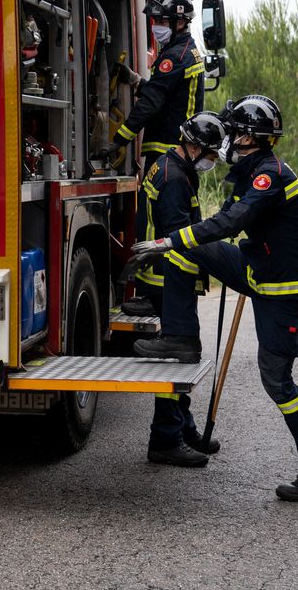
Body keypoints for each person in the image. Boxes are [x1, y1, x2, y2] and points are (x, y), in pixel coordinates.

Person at [130, 95, 298, 501]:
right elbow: (218, 221)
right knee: (187, 244)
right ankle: (181, 336)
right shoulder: (251, 170)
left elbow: (234, 220)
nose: (226, 139)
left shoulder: (271, 176)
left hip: (281, 292)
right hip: (257, 272)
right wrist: (173, 243)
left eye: (233, 131)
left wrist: (169, 239)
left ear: (247, 137)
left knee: (277, 382)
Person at [98, 0, 206, 316]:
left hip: (167, 153)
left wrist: (117, 142)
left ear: (178, 20)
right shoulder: (185, 52)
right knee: (165, 226)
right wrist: (135, 80)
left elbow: (151, 106)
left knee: (152, 225)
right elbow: (164, 92)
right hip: (178, 153)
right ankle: (162, 300)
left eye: (160, 20)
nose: (155, 26)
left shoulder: (175, 56)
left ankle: (154, 297)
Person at [129, 111, 226, 466]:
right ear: (196, 147)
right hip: (168, 279)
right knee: (177, 358)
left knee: (183, 356)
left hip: (165, 278)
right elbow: (178, 238)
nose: (213, 161)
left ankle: (183, 427)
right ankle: (166, 438)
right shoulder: (174, 179)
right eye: (211, 154)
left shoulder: (170, 166)